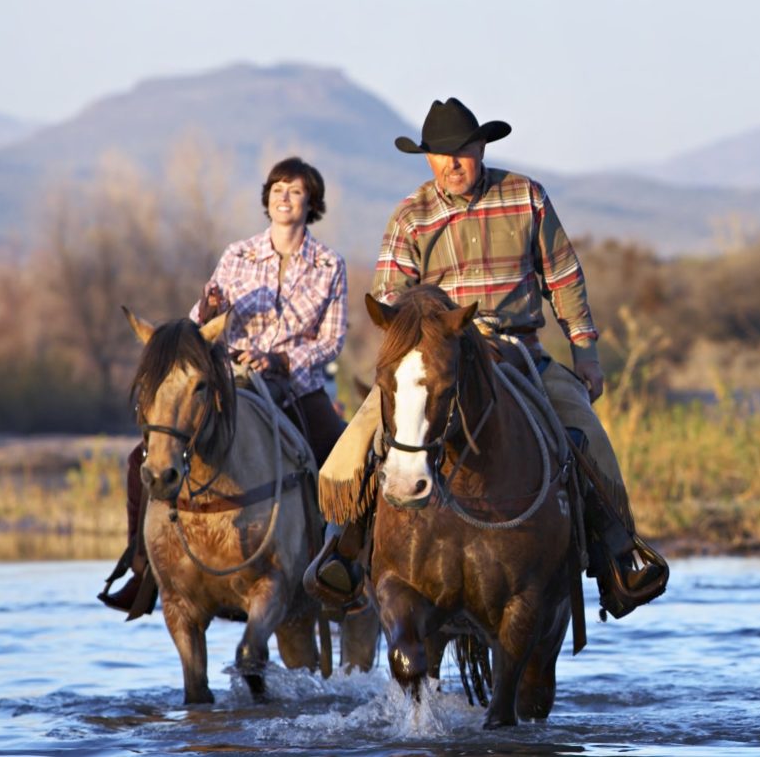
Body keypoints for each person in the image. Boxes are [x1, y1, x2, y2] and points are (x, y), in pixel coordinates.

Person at [304, 97, 668, 620]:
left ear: (481, 149)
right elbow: (389, 300)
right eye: (442, 155)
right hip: (438, 355)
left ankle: (617, 556)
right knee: (357, 445)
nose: (454, 164)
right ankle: (344, 554)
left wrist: (585, 353)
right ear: (428, 159)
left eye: (464, 152)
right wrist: (419, 332)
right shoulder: (412, 215)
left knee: (584, 432)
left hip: (518, 351)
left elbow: (563, 279)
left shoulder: (526, 197)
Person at [99, 156, 349, 617]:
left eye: (294, 191)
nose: (284, 198)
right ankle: (143, 565)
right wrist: (208, 308)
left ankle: (338, 565)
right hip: (230, 382)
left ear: (311, 201)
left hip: (295, 386)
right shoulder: (237, 256)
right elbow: (198, 328)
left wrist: (280, 359)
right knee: (143, 456)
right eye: (276, 190)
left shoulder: (329, 264)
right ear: (266, 199)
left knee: (341, 460)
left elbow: (331, 340)